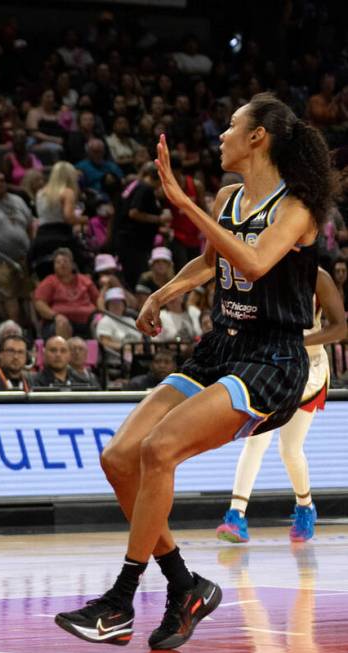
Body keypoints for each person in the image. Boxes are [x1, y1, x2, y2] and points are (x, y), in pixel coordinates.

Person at [56, 94, 335, 650]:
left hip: (271, 359)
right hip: (218, 349)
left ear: (258, 138)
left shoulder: (296, 208)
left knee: (160, 451)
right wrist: (164, 292)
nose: (221, 135)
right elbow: (213, 262)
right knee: (119, 459)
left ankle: (120, 600)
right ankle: (186, 586)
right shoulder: (230, 197)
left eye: (232, 126)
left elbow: (255, 263)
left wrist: (184, 203)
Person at [217, 268, 346, 544]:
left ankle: (305, 506)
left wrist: (299, 342)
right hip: (270, 367)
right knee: (255, 442)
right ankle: (236, 515)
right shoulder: (259, 271)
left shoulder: (317, 277)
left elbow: (340, 327)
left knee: (289, 450)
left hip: (307, 370)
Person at [30, 335, 100, 389]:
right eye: (53, 350)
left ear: (69, 355)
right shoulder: (32, 381)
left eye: (63, 351)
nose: (58, 355)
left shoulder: (84, 382)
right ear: (44, 354)